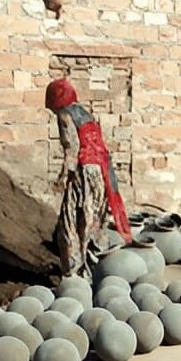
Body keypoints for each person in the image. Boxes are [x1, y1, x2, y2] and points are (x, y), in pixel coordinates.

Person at [45, 77, 132, 277]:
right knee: (93, 222)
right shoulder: (85, 113)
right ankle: (98, 272)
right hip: (101, 173)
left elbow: (72, 147)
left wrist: (63, 177)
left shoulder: (65, 115)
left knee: (71, 224)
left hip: (83, 173)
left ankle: (75, 274)